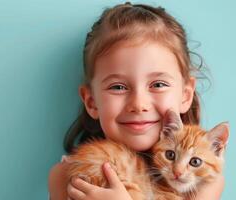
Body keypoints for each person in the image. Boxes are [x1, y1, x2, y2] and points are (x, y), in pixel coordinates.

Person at [48, 2, 225, 200]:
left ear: (185, 95)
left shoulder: (203, 181)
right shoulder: (63, 174)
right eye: (118, 87)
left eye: (158, 84)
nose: (139, 104)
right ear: (91, 102)